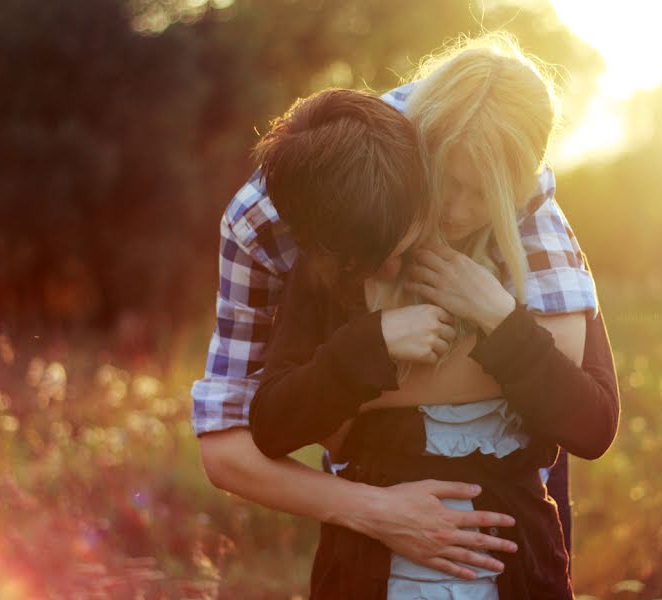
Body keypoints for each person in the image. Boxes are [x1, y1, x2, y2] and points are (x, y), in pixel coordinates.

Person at [191, 34, 619, 586]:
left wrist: (495, 319)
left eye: (484, 194)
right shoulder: (275, 229)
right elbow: (247, 431)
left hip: (516, 531)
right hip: (375, 547)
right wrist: (371, 351)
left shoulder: (518, 190)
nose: (459, 213)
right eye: (448, 186)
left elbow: (588, 416)